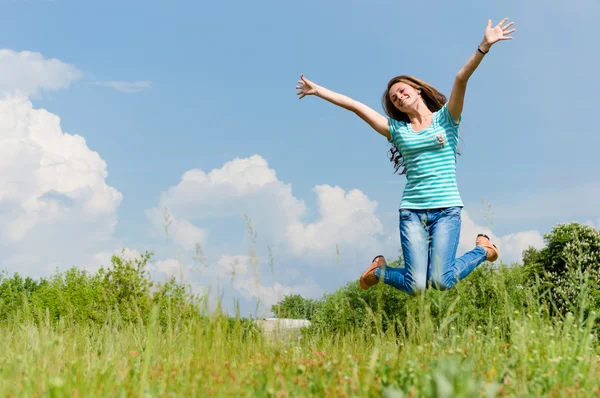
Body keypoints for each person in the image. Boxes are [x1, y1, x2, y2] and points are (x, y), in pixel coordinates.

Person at [296, 18, 515, 295]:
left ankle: (483, 250)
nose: (398, 97)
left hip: (447, 211)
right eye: (394, 98)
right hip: (412, 212)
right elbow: (355, 107)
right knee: (417, 287)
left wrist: (484, 46)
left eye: (402, 91)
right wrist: (318, 91)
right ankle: (379, 270)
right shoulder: (396, 130)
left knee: (442, 280)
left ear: (417, 90)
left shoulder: (447, 119)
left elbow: (461, 78)